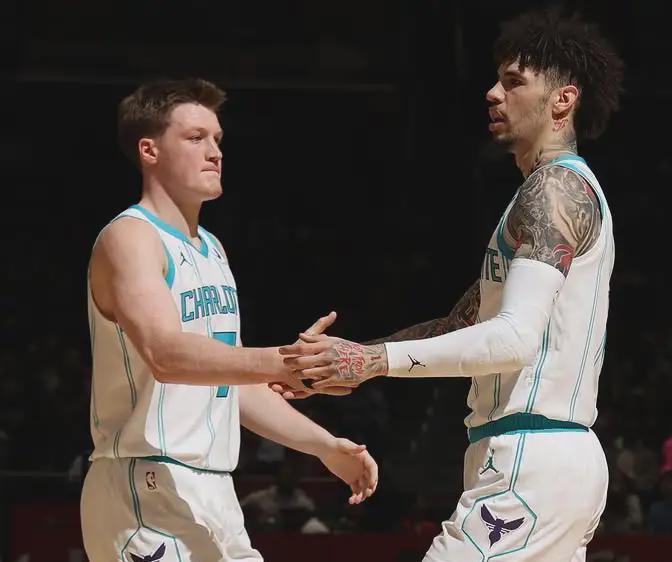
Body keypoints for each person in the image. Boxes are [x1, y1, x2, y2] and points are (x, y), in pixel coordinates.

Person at [279, 9, 623, 561]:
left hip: (531, 461)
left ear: (562, 101)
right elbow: (458, 326)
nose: (493, 93)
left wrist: (372, 361)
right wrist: (347, 360)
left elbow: (512, 340)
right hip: (543, 463)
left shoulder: (554, 191)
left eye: (513, 82)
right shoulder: (541, 195)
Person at [80, 78, 377, 562]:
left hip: (215, 492)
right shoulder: (130, 238)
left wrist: (323, 446)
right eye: (195, 137)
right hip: (145, 484)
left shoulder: (213, 249)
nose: (215, 152)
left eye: (217, 139)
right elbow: (165, 354)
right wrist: (286, 360)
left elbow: (231, 383)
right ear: (149, 150)